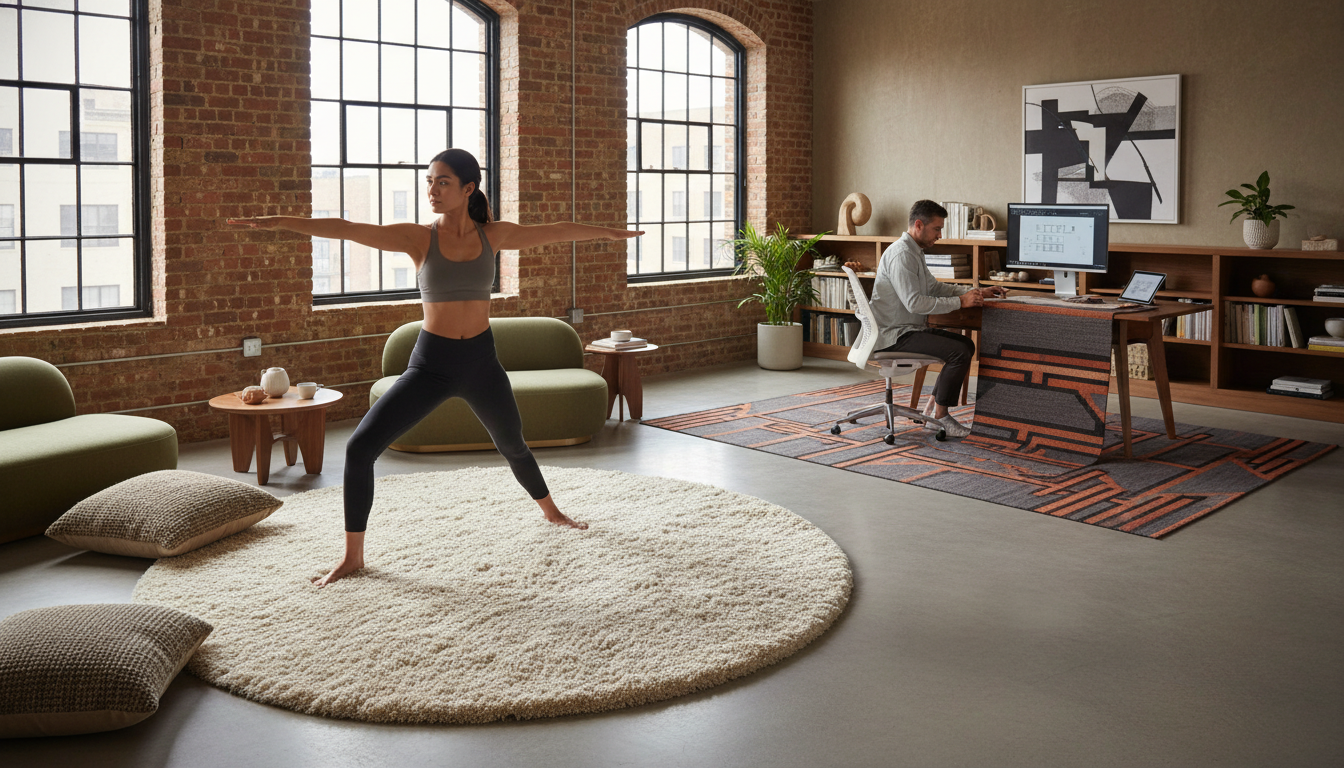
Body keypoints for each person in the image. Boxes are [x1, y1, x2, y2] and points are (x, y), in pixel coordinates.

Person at [229, 148, 642, 586]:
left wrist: (609, 234)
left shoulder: (494, 236)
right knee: (358, 449)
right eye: (429, 181)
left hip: (481, 362)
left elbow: (557, 231)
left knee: (514, 445)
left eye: (442, 182)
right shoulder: (417, 238)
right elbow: (347, 229)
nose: (432, 190)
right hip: (431, 364)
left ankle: (553, 512)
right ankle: (353, 556)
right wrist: (279, 223)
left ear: (468, 189)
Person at [866, 199, 1005, 438]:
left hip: (906, 330)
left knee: (965, 345)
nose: (940, 235)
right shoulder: (901, 255)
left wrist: (974, 292)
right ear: (918, 225)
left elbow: (934, 288)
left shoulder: (914, 252)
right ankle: (940, 416)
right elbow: (915, 302)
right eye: (937, 229)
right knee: (958, 352)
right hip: (894, 335)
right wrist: (961, 302)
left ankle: (933, 408)